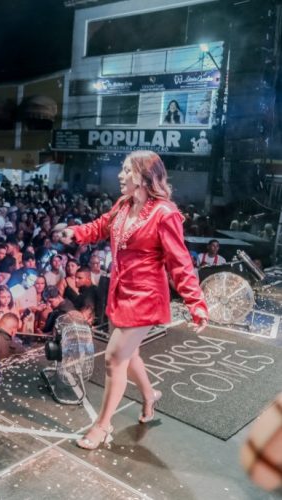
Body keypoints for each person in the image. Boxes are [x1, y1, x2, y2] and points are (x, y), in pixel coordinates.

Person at [61, 150, 208, 449]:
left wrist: (196, 302)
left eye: (127, 170)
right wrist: (75, 233)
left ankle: (103, 425)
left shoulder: (164, 213)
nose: (120, 175)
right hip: (120, 292)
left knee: (115, 358)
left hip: (146, 298)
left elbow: (180, 262)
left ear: (143, 176)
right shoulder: (123, 204)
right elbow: (100, 226)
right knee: (131, 355)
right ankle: (149, 396)